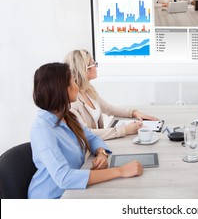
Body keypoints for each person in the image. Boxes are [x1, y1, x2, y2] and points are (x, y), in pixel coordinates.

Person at [28, 63, 143, 199]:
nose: (77, 87)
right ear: (62, 90)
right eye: (73, 82)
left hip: (74, 192)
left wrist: (102, 153)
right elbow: (64, 178)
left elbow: (92, 138)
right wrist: (120, 171)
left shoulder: (67, 116)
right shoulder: (42, 129)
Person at [64, 49, 159, 141]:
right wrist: (124, 130)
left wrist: (133, 112)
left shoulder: (88, 89)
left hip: (98, 144)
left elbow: (109, 109)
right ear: (84, 70)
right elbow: (86, 134)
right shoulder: (72, 102)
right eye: (94, 64)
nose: (96, 67)